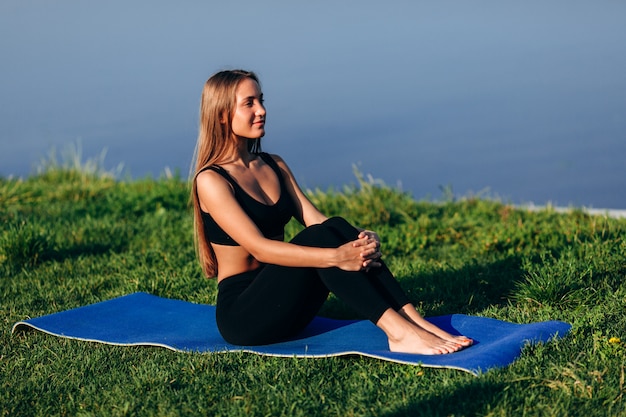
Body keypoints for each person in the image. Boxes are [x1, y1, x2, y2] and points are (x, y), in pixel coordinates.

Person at [191, 69, 472, 354]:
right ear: (222, 115)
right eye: (249, 103)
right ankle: (398, 334)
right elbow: (261, 249)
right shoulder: (212, 180)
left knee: (333, 226)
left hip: (289, 304)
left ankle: (415, 322)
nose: (261, 110)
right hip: (246, 316)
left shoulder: (273, 164)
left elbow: (319, 222)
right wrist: (337, 256)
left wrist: (360, 238)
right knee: (320, 239)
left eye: (261, 100)